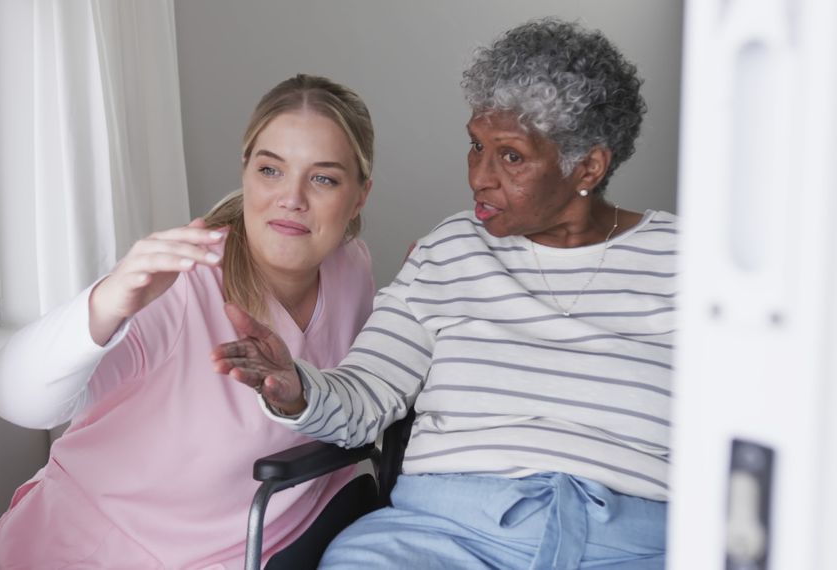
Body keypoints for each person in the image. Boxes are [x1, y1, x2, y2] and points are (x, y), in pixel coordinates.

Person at [213, 19, 674, 569]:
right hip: (440, 537)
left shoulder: (689, 262)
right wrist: (297, 389)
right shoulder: (451, 249)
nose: (479, 176)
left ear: (588, 167)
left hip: (632, 545)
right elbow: (366, 397)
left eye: (511, 157)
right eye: (476, 145)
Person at [0, 74, 377, 569]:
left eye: (323, 178)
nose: (292, 198)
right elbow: (15, 398)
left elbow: (358, 402)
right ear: (245, 172)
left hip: (274, 550)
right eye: (271, 170)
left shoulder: (352, 268)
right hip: (95, 552)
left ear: (360, 195)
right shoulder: (180, 286)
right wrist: (109, 301)